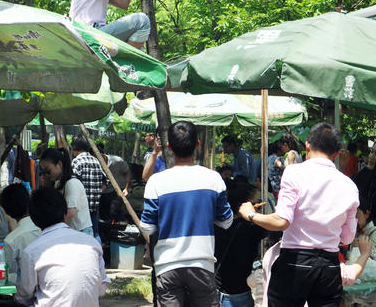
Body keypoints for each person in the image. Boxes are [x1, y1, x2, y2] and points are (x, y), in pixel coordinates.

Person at [239, 122, 359, 307]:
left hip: (296, 261)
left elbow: (282, 221)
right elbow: (347, 237)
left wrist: (251, 215)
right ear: (336, 154)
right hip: (329, 265)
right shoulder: (349, 186)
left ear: (308, 145)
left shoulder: (295, 172)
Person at [141, 120, 233, 307]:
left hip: (167, 265)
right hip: (202, 264)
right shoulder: (213, 179)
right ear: (197, 145)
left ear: (169, 147)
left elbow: (147, 227)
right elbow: (227, 221)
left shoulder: (156, 182)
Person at [15, 188, 108, 307]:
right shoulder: (91, 243)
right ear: (65, 213)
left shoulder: (32, 252)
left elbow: (24, 296)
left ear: (34, 220)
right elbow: (101, 290)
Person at [215, 180, 268, 307]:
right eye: (258, 205)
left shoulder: (215, 224)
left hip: (215, 293)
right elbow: (277, 227)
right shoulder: (252, 229)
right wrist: (253, 215)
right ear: (245, 206)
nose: (260, 209)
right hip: (238, 297)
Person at [38, 147, 92, 235]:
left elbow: (71, 212)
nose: (46, 175)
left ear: (59, 164)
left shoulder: (72, 183)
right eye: (43, 172)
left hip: (80, 232)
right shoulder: (59, 183)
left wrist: (51, 226)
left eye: (48, 171)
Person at [0, 183, 42, 281]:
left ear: (6, 211)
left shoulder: (11, 240)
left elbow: (10, 276)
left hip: (26, 292)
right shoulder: (47, 227)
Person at [70, 134, 107, 242]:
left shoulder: (76, 162)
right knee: (95, 234)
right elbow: (106, 181)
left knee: (81, 236)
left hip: (81, 209)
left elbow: (72, 182)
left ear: (75, 148)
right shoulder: (96, 161)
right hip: (95, 206)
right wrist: (97, 193)